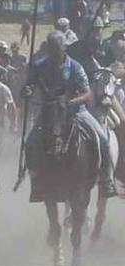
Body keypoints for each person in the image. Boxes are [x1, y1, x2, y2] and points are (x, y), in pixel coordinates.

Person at [25, 30, 118, 198]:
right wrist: (27, 90)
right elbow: (30, 85)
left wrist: (71, 102)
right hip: (48, 112)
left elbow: (87, 93)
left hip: (76, 112)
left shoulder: (74, 67)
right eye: (51, 48)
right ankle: (36, 181)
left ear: (63, 48)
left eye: (57, 48)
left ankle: (106, 180)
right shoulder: (39, 66)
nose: (54, 52)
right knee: (30, 142)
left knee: (103, 140)